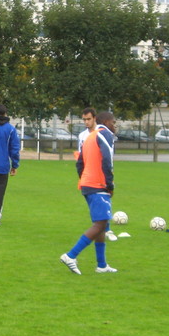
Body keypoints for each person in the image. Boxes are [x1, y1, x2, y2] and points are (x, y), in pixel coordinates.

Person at [59, 110, 118, 275]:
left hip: (87, 184)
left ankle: (101, 265)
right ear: (105, 121)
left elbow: (80, 163)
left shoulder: (89, 137)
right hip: (98, 184)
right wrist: (110, 184)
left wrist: (85, 179)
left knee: (102, 224)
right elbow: (108, 160)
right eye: (113, 122)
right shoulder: (104, 134)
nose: (114, 126)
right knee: (100, 224)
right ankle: (71, 255)